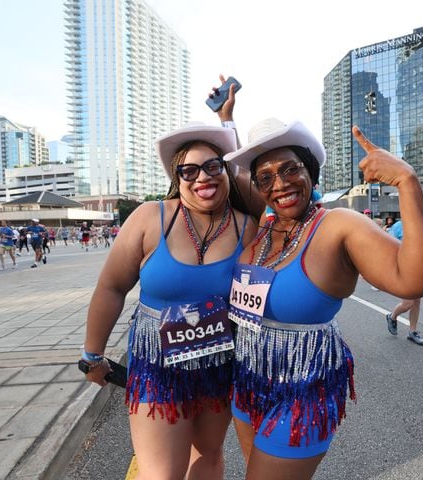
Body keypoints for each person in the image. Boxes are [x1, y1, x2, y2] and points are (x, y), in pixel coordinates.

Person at [224, 119, 423, 477]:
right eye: (266, 178)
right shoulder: (263, 228)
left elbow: (416, 279)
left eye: (290, 169)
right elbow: (224, 177)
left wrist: (406, 181)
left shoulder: (337, 225)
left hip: (302, 387)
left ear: (310, 172)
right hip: (248, 379)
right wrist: (227, 120)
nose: (280, 183)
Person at [81, 83, 263, 478]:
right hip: (157, 364)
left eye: (213, 166)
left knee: (209, 456)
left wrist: (227, 120)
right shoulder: (150, 217)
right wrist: (92, 355)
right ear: (177, 177)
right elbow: (111, 287)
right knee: (161, 474)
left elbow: (257, 186)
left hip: (218, 361)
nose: (203, 177)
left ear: (226, 170)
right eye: (190, 170)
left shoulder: (246, 226)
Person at [385, 218, 423, 346]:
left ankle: (412, 332)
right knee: (408, 303)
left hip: (418, 267)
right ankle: (392, 316)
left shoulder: (421, 224)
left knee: (417, 301)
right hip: (404, 267)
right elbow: (389, 246)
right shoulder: (398, 226)